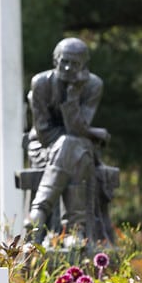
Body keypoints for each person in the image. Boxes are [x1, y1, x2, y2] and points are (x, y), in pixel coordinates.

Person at [24, 37, 111, 243]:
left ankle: (39, 211)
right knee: (73, 149)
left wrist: (72, 95)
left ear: (84, 66)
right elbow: (44, 132)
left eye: (75, 63)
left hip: (77, 145)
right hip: (43, 147)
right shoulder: (41, 83)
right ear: (55, 61)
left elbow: (76, 129)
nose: (68, 67)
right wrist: (93, 133)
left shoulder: (92, 85)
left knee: (72, 145)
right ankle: (74, 230)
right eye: (64, 61)